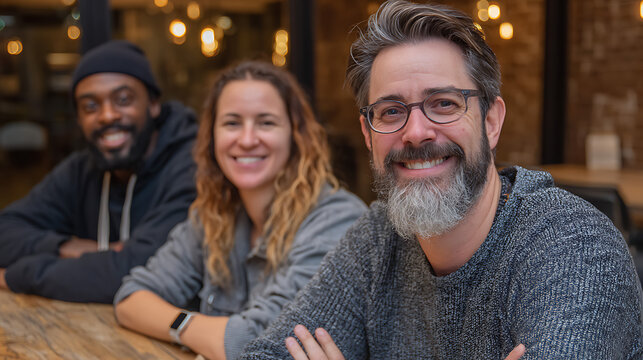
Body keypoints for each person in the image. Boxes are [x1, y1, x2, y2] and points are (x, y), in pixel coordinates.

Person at [239, 1, 643, 359]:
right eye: (391, 111)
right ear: (368, 134)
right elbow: (266, 353)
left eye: (444, 104)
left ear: (491, 121)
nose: (416, 132)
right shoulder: (377, 240)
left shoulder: (573, 248)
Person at [113, 61, 366, 360]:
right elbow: (131, 298)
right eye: (232, 123)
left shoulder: (336, 221)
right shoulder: (215, 216)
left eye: (266, 122)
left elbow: (257, 342)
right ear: (212, 137)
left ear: (296, 136)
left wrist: (181, 327)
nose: (247, 140)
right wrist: (191, 328)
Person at [0, 40, 197, 303]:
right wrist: (66, 247)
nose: (106, 116)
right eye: (90, 106)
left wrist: (17, 276)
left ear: (153, 104)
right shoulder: (82, 168)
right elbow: (5, 230)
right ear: (79, 119)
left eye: (123, 100)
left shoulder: (192, 167)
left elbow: (142, 269)